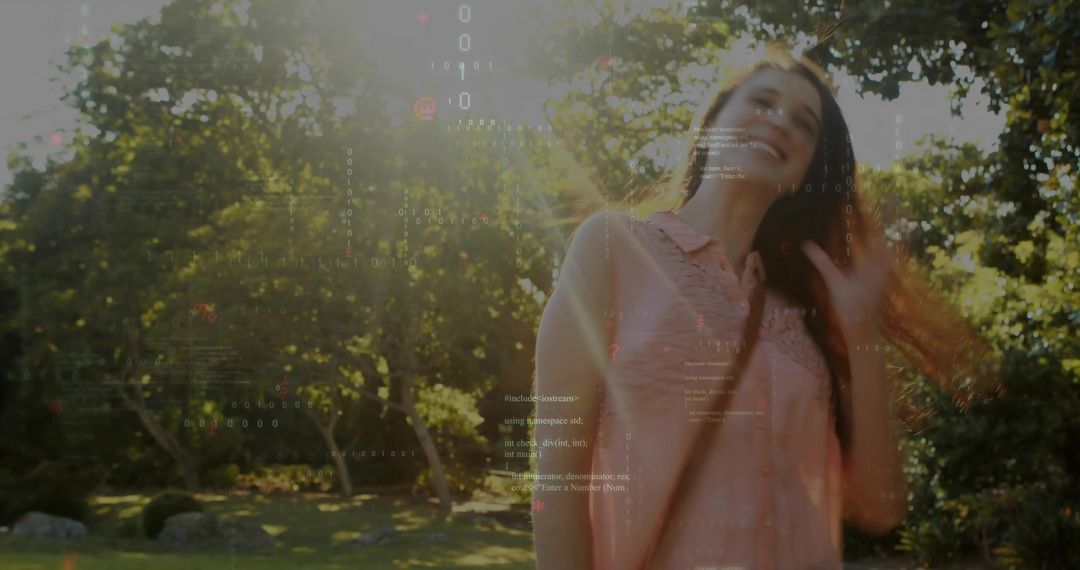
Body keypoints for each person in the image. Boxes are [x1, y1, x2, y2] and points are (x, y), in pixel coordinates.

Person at [532, 44, 1000, 570]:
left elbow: (882, 507)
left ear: (803, 174)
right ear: (711, 124)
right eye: (763, 102)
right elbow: (557, 471)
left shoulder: (801, 318)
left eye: (804, 124)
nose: (780, 123)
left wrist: (861, 331)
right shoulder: (613, 247)